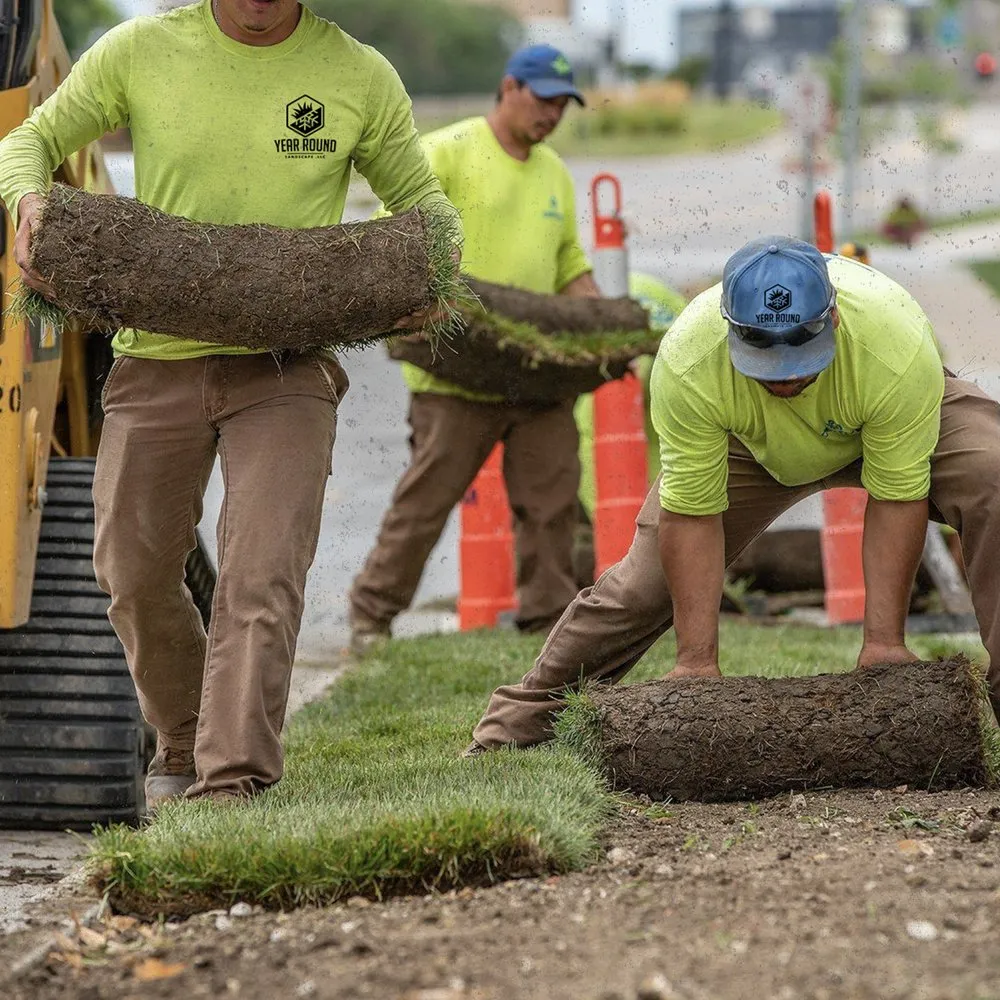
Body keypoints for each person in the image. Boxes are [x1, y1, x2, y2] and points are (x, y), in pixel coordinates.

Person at [0, 0, 459, 807]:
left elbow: (425, 204)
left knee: (262, 573)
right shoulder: (141, 49)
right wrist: (28, 202)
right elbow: (28, 139)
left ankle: (232, 780)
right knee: (131, 572)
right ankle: (182, 740)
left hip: (286, 371)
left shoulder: (357, 74)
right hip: (155, 362)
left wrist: (435, 270)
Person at [467, 236, 1000, 753]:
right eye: (764, 353)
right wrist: (696, 662)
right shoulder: (690, 360)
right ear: (730, 328)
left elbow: (896, 498)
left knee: (993, 477)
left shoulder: (894, 346)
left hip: (882, 414)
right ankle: (510, 732)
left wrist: (884, 643)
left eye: (800, 352)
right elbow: (692, 516)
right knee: (643, 587)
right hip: (748, 443)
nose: (785, 375)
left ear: (833, 320)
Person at [349, 44, 600, 650]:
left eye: (562, 105)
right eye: (543, 99)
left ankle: (547, 622)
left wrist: (602, 317)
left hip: (535, 374)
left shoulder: (554, 172)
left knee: (551, 501)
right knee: (426, 502)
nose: (552, 114)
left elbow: (568, 261)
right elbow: (394, 234)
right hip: (453, 371)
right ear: (509, 87)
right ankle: (371, 616)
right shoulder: (448, 150)